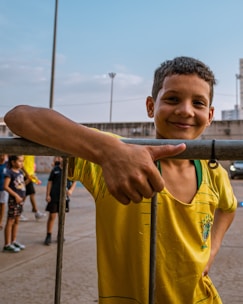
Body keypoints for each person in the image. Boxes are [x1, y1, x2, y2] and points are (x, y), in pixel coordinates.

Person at [3, 56, 237, 303]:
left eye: (198, 103)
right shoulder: (112, 157)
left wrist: (213, 248)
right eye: (172, 99)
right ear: (150, 106)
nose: (185, 110)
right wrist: (107, 151)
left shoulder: (213, 172)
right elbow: (18, 117)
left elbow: (228, 208)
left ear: (210, 114)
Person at [44, 156, 76, 245]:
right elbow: (50, 182)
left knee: (62, 217)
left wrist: (71, 190)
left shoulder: (70, 171)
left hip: (64, 198)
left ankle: (60, 235)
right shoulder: (55, 170)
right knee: (52, 216)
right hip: (54, 196)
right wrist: (47, 194)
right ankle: (48, 235)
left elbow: (74, 181)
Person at [3, 155, 26, 253]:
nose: (22, 163)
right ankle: (7, 244)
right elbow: (6, 186)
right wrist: (16, 196)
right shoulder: (10, 173)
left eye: (22, 161)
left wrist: (30, 178)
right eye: (20, 161)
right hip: (14, 200)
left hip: (20, 200)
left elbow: (21, 185)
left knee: (17, 220)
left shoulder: (20, 172)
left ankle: (13, 240)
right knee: (10, 221)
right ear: (13, 162)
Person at [20, 155, 45, 221]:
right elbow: (21, 163)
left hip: (30, 175)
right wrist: (27, 175)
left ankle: (35, 211)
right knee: (27, 194)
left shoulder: (32, 153)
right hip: (26, 175)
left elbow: (31, 163)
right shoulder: (25, 152)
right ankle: (20, 211)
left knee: (30, 193)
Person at [0, 154, 9, 230]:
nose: (2, 157)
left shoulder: (7, 165)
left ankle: (0, 221)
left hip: (4, 189)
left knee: (3, 205)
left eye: (3, 155)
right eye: (1, 155)